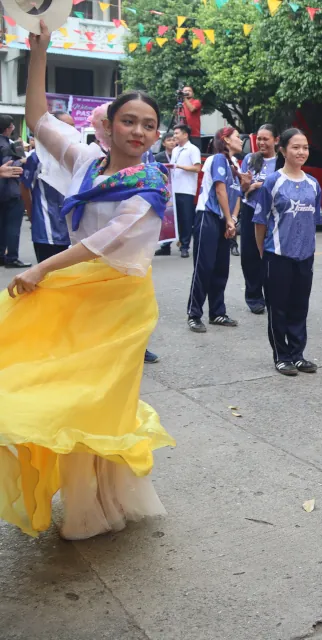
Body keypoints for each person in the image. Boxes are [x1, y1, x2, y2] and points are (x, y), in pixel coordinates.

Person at [0, 21, 175, 539]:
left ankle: (96, 503)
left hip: (118, 303)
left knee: (94, 401)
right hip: (76, 291)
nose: (139, 132)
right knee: (59, 389)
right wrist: (38, 54)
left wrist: (39, 268)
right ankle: (88, 499)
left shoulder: (149, 185)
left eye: (148, 124)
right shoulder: (85, 161)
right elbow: (38, 118)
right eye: (129, 122)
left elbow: (105, 243)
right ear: (111, 125)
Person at [252, 128, 320, 376]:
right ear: (283, 150)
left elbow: (315, 220)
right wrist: (263, 253)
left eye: (305, 147)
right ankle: (282, 356)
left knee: (299, 306)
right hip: (277, 256)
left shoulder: (313, 184)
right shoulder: (273, 182)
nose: (301, 152)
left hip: (305, 257)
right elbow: (260, 221)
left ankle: (297, 354)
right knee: (278, 307)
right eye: (296, 147)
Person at [186, 127, 242, 333]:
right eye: (237, 137)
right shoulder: (218, 159)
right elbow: (220, 190)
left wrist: (232, 220)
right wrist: (228, 219)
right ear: (226, 139)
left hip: (224, 219)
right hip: (208, 217)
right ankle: (194, 314)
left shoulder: (235, 164)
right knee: (204, 267)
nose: (240, 140)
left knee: (221, 268)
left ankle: (217, 312)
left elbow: (237, 195)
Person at [20, 111, 73, 263]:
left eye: (73, 127)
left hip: (73, 232)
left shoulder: (79, 156)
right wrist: (32, 216)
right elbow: (25, 187)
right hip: (47, 232)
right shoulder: (38, 157)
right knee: (47, 280)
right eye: (66, 126)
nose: (72, 131)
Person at [239, 124, 280, 314]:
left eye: (266, 139)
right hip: (250, 212)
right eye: (259, 139)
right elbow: (240, 188)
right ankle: (254, 297)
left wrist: (260, 185)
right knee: (250, 255)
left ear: (276, 140)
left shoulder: (281, 161)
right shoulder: (250, 159)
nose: (262, 142)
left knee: (271, 255)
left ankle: (273, 295)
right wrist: (248, 186)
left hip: (273, 215)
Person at [167, 124, 201, 258]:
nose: (174, 136)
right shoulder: (175, 150)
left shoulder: (193, 149)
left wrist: (179, 166)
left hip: (186, 189)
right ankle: (169, 245)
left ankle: (185, 246)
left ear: (185, 134)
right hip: (174, 188)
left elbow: (197, 168)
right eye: (174, 133)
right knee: (174, 218)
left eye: (177, 133)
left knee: (186, 219)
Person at [0, 114, 29, 268]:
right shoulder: (5, 146)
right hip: (10, 190)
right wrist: (23, 161)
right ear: (8, 128)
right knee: (12, 226)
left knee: (3, 225)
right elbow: (10, 167)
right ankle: (11, 258)